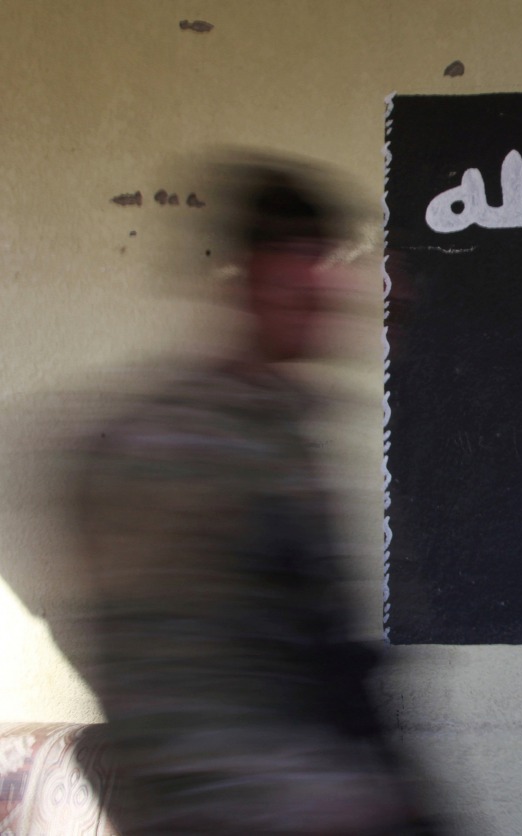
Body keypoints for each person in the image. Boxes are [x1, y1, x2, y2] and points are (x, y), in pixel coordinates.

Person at [73, 154, 437, 834]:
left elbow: (320, 663)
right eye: (299, 259)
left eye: (326, 259)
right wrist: (350, 804)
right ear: (244, 273)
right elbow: (173, 711)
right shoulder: (165, 446)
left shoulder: (282, 429)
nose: (322, 286)